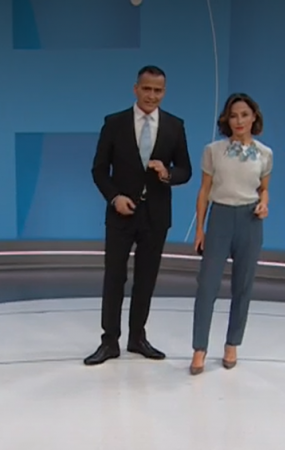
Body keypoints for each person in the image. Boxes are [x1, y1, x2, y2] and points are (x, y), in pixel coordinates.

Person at [84, 65, 192, 366]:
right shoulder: (114, 123)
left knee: (146, 279)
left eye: (158, 91)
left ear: (164, 92)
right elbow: (98, 170)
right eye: (147, 89)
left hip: (156, 217)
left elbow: (185, 170)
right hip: (121, 214)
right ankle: (109, 341)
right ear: (136, 89)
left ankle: (137, 337)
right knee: (114, 277)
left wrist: (167, 173)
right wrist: (114, 197)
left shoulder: (174, 126)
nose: (152, 95)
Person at [189, 93, 272, 375]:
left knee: (243, 285)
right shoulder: (213, 151)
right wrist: (200, 229)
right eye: (234, 115)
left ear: (254, 117)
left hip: (250, 221)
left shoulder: (265, 154)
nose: (239, 121)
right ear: (227, 119)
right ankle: (199, 348)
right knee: (207, 286)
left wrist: (264, 204)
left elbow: (264, 189)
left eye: (244, 115)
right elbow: (204, 191)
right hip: (220, 219)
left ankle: (232, 344)